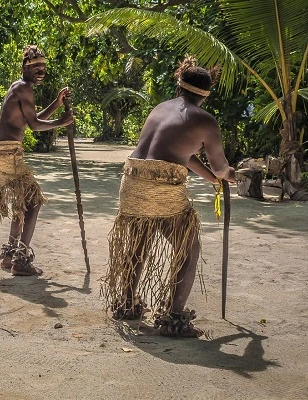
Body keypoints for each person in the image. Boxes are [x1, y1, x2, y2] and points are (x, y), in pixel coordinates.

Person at [103, 56, 236, 338]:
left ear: (180, 86)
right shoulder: (205, 121)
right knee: (189, 248)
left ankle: (127, 304)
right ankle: (174, 319)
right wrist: (226, 174)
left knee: (140, 241)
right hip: (160, 188)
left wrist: (210, 179)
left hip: (132, 182)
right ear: (206, 95)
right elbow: (220, 166)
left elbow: (181, 154)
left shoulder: (161, 108)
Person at [0, 45, 74, 276]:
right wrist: (62, 123)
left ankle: (9, 255)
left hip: (0, 151)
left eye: (43, 67)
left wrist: (56, 103)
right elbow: (36, 126)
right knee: (33, 201)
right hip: (7, 152)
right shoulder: (24, 88)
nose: (40, 71)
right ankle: (21, 261)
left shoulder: (20, 87)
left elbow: (30, 121)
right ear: (25, 67)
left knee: (23, 202)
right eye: (35, 67)